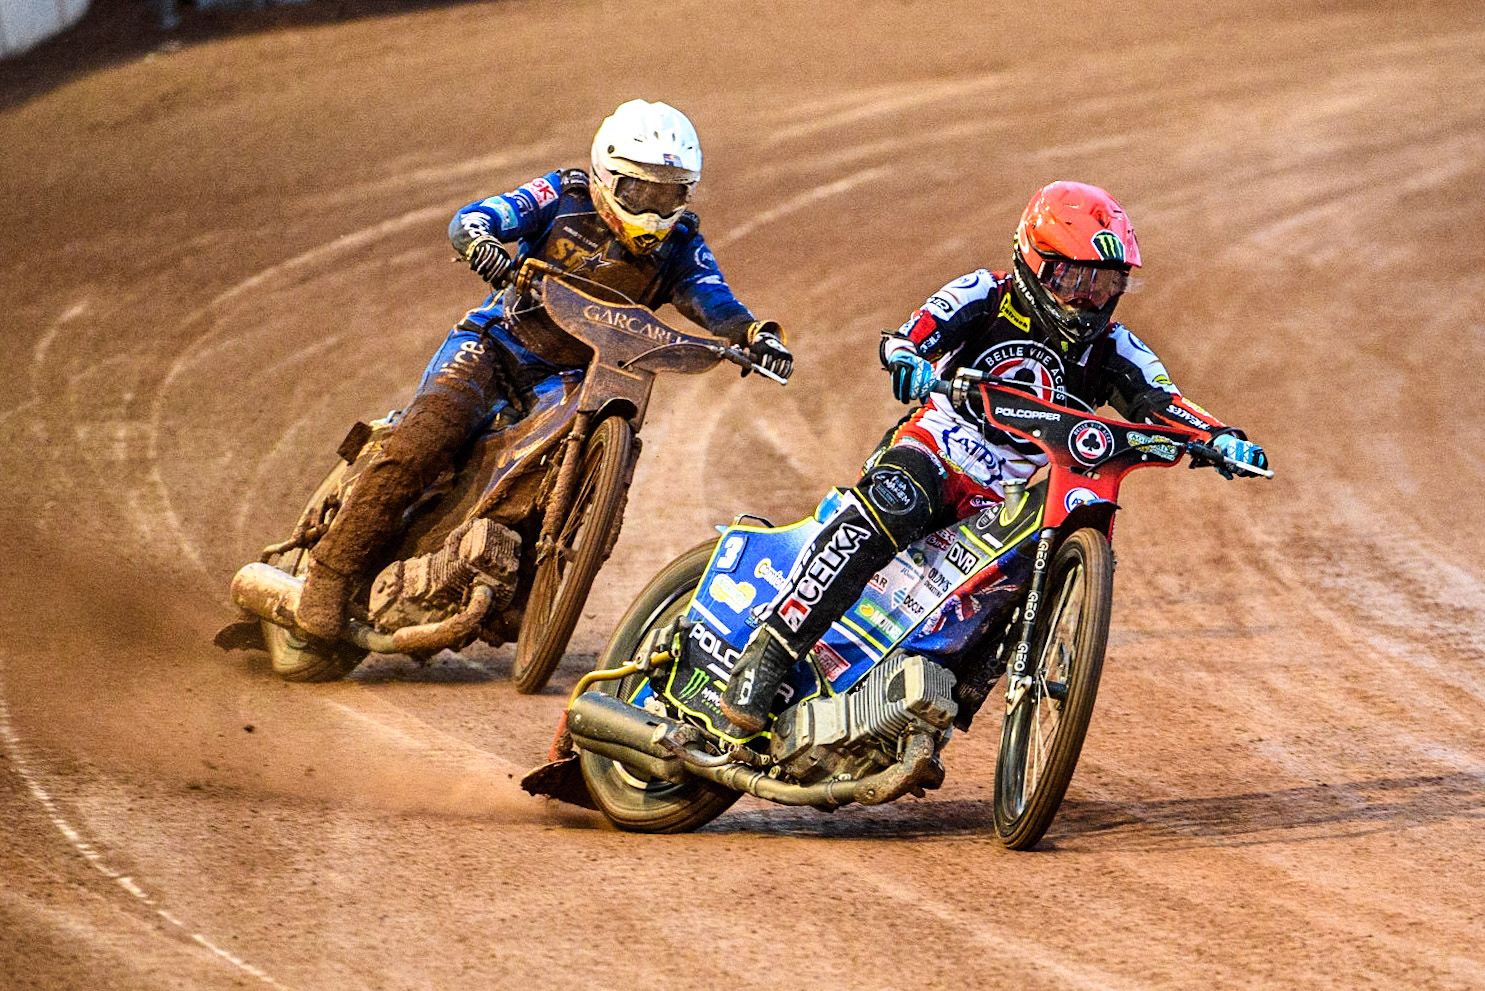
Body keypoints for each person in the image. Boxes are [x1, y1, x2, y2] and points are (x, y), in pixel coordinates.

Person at [719, 180, 1268, 733]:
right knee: (895, 504)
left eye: (1104, 284)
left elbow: (1163, 402)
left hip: (1011, 501)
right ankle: (768, 655)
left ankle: (920, 712)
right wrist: (909, 360)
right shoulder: (984, 293)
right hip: (938, 448)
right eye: (1073, 278)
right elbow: (909, 337)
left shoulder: (1116, 348)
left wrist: (1220, 438)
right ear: (1034, 263)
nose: (1086, 298)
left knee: (1033, 575)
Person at [295, 100, 794, 640]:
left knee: (595, 467)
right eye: (641, 191)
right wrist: (483, 244)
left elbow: (713, 299)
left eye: (669, 193)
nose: (653, 210)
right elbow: (475, 217)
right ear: (607, 175)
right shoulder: (560, 195)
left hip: (576, 378)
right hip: (497, 345)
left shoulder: (683, 245)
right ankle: (329, 573)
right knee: (429, 434)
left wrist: (752, 334)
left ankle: (526, 584)